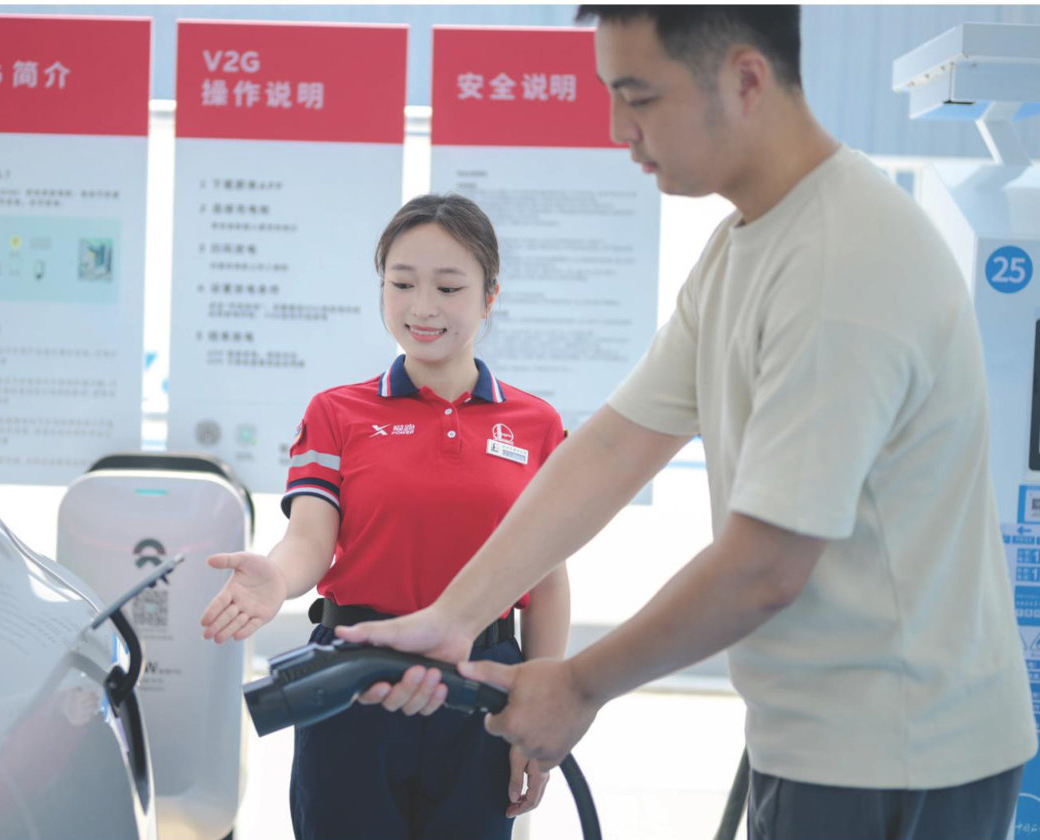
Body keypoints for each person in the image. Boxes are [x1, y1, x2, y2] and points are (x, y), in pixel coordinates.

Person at [335, 7, 1037, 840]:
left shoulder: (841, 260)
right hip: (820, 740)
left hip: (903, 754)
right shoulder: (744, 246)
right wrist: (455, 615)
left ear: (744, 79)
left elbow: (765, 565)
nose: (617, 129)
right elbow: (614, 445)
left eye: (638, 97)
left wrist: (579, 685)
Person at [199, 193, 571, 839]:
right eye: (401, 284)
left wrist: (541, 709)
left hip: (483, 683)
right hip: (352, 680)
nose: (422, 307)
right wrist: (278, 578)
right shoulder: (336, 412)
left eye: (448, 287)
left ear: (489, 297)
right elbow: (309, 539)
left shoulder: (535, 425)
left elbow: (548, 581)